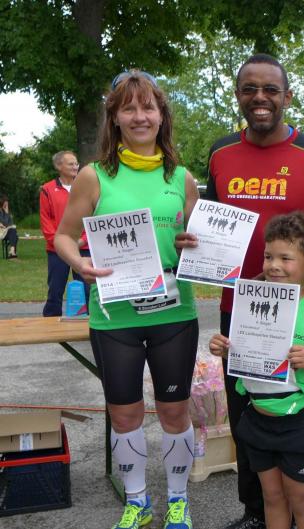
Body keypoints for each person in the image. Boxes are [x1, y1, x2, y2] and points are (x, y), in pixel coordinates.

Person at [204, 53, 304, 529]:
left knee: (296, 406)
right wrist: (194, 242)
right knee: (248, 414)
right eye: (250, 88)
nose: (260, 97)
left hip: (301, 311)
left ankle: (300, 500)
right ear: (238, 95)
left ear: (287, 96)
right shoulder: (220, 154)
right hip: (240, 307)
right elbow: (212, 225)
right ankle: (256, 512)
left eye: (270, 89)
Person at [54, 69, 200, 529]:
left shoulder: (182, 177)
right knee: (124, 413)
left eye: (148, 107)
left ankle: (178, 499)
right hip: (115, 315)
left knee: (174, 410)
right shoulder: (94, 176)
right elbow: (63, 236)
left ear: (161, 116)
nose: (140, 116)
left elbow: (198, 241)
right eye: (129, 108)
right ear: (114, 118)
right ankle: (137, 501)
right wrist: (80, 264)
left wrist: (191, 244)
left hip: (174, 312)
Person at [209, 211, 304, 529]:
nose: (274, 265)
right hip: (258, 415)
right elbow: (242, 347)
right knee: (272, 497)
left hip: (301, 421)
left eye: (286, 258)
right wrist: (224, 347)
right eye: (268, 256)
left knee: (301, 499)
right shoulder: (251, 301)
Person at [40, 151, 90, 314]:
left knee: (88, 290)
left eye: (76, 163)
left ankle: (91, 323)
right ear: (58, 166)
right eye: (70, 164)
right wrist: (60, 243)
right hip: (57, 250)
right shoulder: (47, 189)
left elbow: (94, 217)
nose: (75, 167)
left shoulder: (86, 188)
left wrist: (82, 240)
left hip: (83, 248)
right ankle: (50, 323)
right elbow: (46, 220)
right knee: (55, 290)